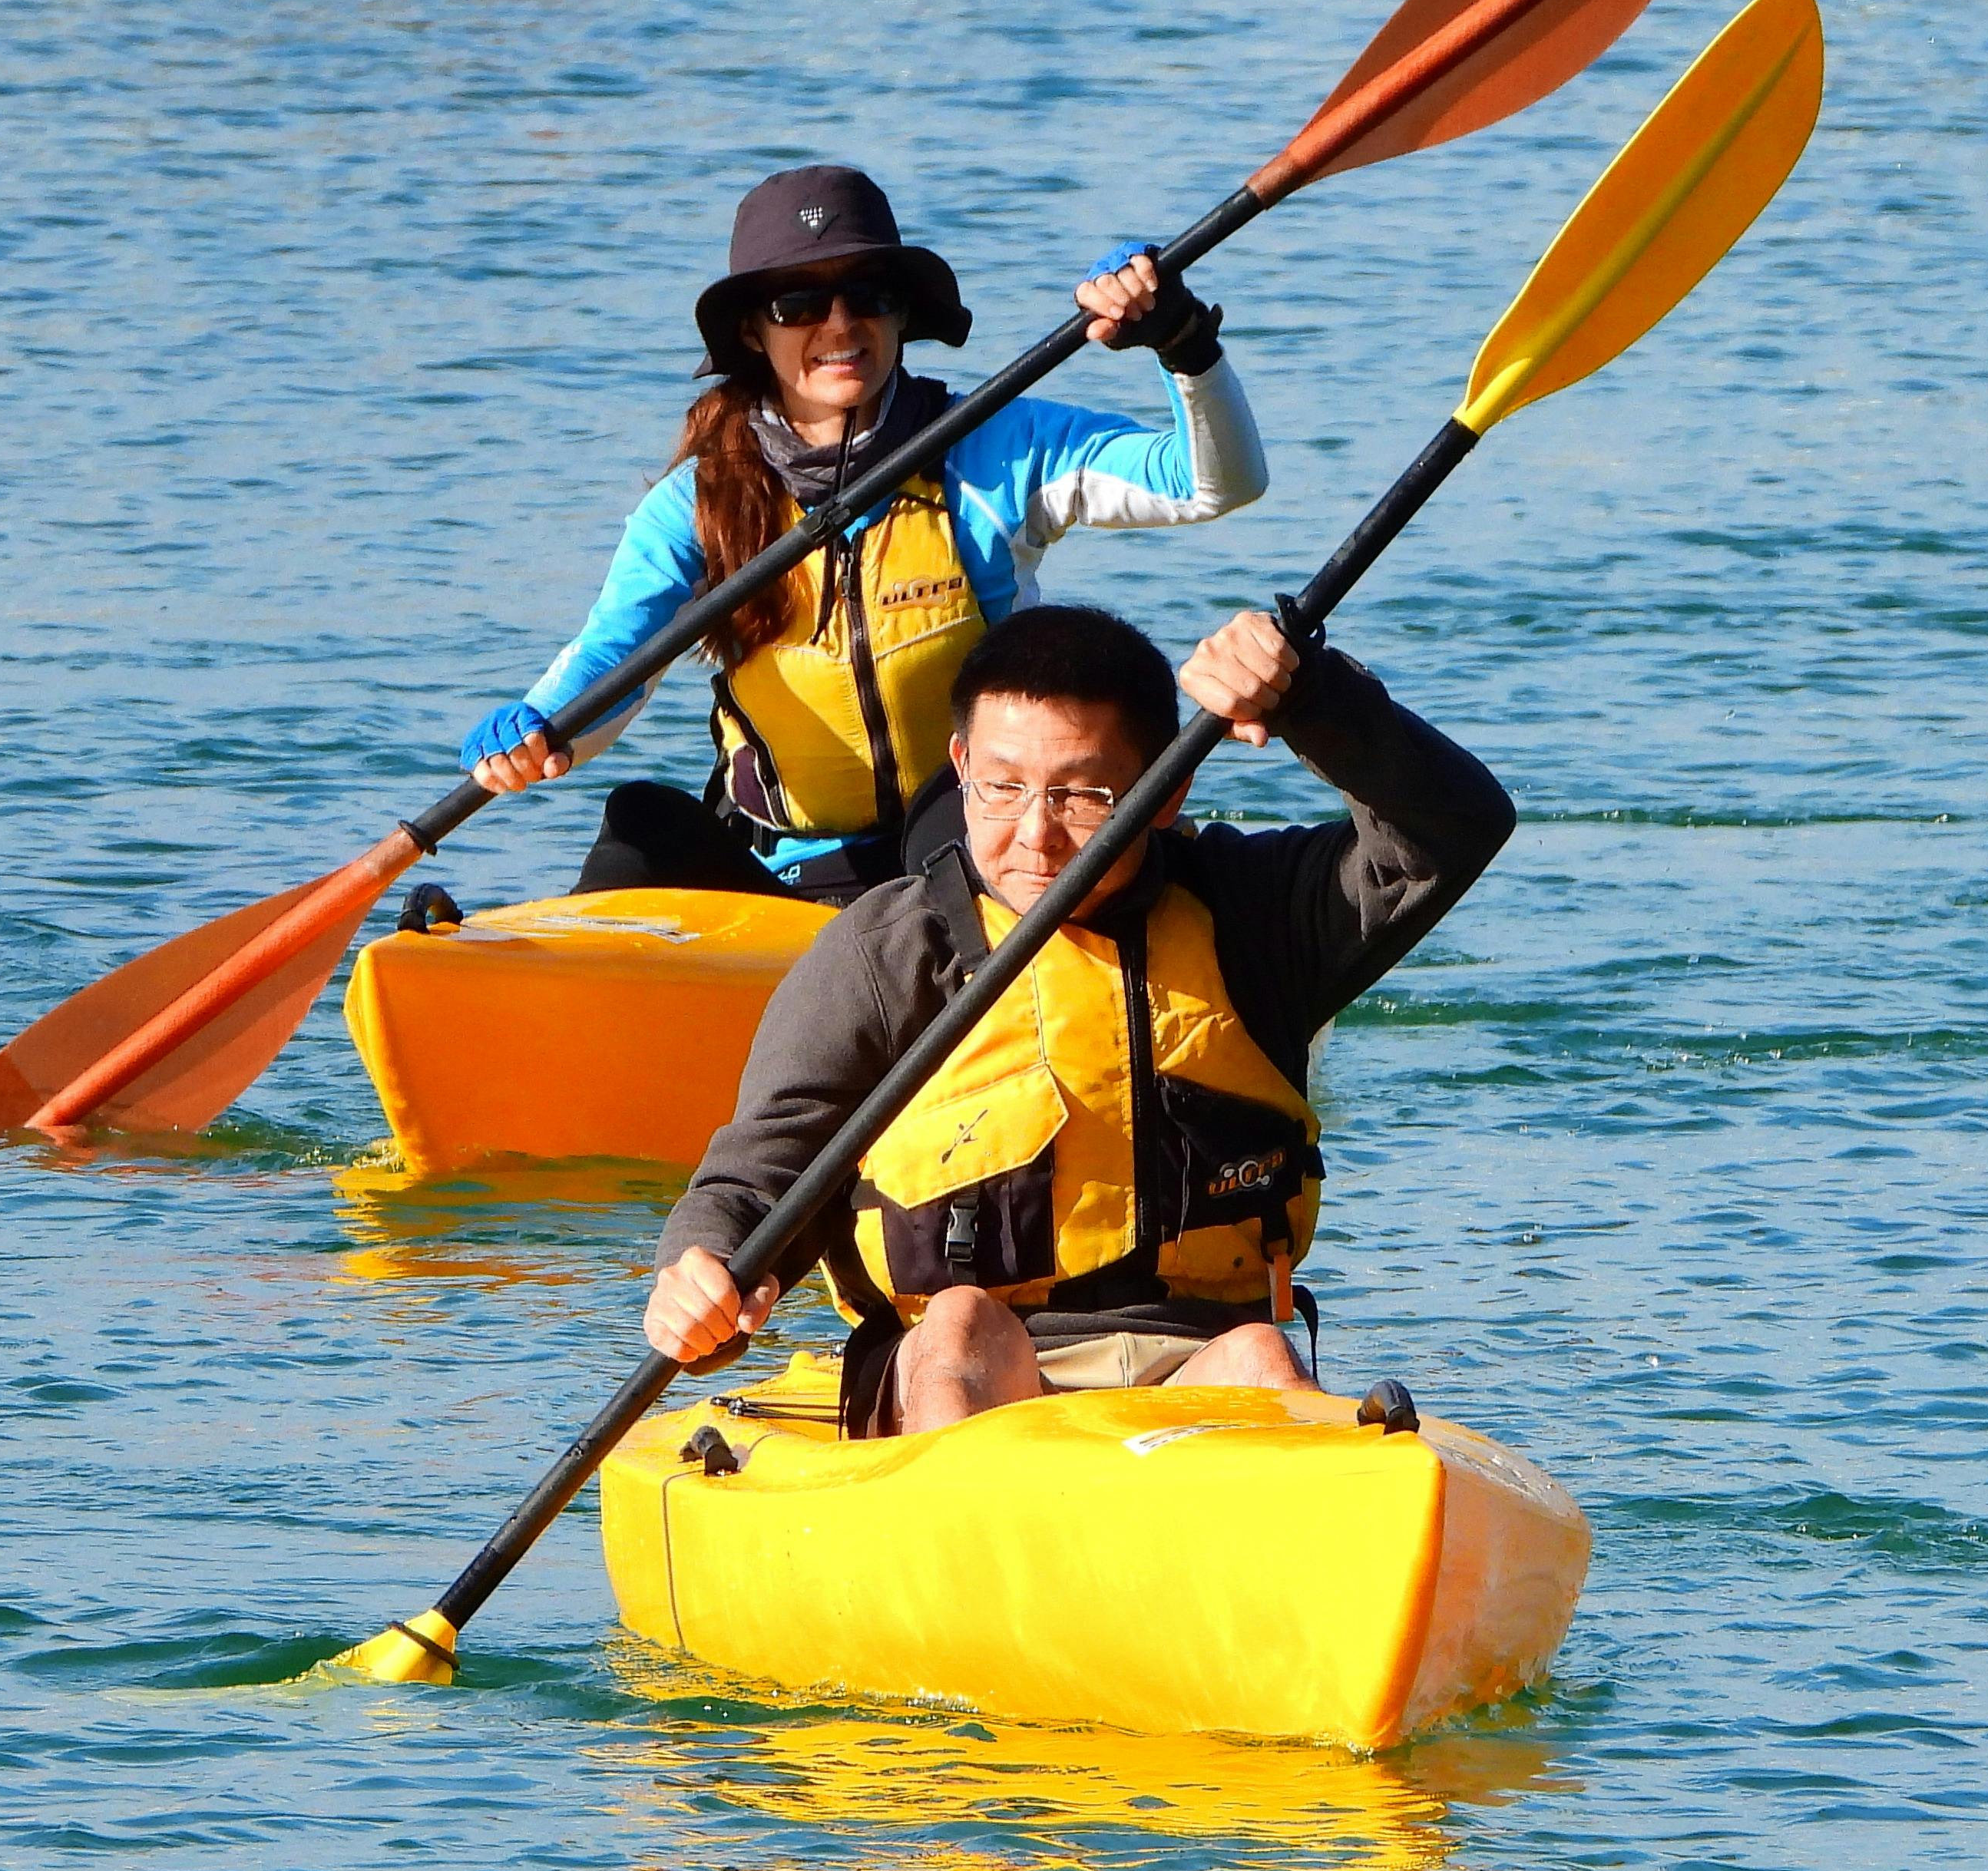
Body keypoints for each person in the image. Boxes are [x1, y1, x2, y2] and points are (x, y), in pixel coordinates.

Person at [640, 600, 1515, 1437]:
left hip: (1196, 1356)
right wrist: (706, 1268)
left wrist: (1313, 698)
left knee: (1259, 1353)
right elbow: (759, 1173)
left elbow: (1454, 829)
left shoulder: (1256, 916)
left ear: (1164, 790)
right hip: (958, 1369)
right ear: (959, 764)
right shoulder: (884, 953)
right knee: (961, 1324)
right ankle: (966, 1552)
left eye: (1082, 796)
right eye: (1002, 787)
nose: (1034, 835)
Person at [451, 164, 1269, 908]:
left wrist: (1181, 343)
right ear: (751, 331)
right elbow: (612, 665)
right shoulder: (697, 504)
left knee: (944, 829)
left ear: (902, 313)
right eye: (798, 304)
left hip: (970, 853)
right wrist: (536, 727)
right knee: (640, 821)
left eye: (867, 295)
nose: (839, 324)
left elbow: (1213, 485)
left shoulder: (994, 446)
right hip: (787, 871)